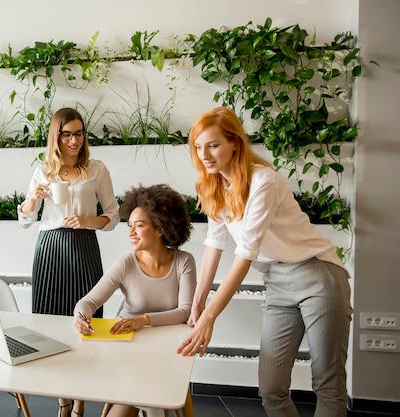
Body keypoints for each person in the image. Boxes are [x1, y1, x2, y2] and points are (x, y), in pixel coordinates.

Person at [176, 107, 352, 417]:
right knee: (271, 389)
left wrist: (211, 316)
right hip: (277, 281)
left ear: (235, 144)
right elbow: (214, 245)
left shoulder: (263, 181)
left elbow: (244, 254)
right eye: (198, 147)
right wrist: (198, 303)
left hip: (318, 275)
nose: (205, 154)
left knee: (328, 383)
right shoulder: (213, 185)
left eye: (213, 145)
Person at [18, 107, 120, 417]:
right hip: (49, 250)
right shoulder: (42, 171)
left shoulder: (97, 169)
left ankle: (79, 404)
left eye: (78, 133)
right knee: (49, 326)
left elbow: (114, 216)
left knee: (85, 325)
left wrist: (89, 220)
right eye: (67, 134)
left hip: (84, 248)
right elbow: (25, 221)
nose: (74, 140)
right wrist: (33, 199)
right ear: (56, 137)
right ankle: (62, 400)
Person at [75, 184, 196, 417]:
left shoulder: (183, 262)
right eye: (129, 226)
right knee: (145, 392)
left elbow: (185, 311)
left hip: (166, 352)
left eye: (139, 226)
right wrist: (81, 316)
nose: (131, 233)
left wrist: (144, 320)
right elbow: (88, 301)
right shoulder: (126, 264)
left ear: (160, 229)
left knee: (149, 388)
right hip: (127, 351)